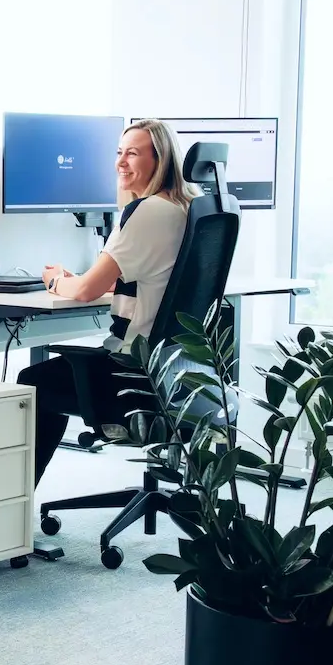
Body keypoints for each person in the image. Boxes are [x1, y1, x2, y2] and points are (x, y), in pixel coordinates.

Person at [18, 119, 201, 487]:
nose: (121, 162)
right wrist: (85, 281)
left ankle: (11, 513)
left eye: (132, 153)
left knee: (31, 383)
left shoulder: (148, 210)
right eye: (119, 153)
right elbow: (138, 278)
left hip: (132, 373)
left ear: (160, 159)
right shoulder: (188, 207)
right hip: (172, 370)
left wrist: (57, 280)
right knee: (46, 377)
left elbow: (86, 291)